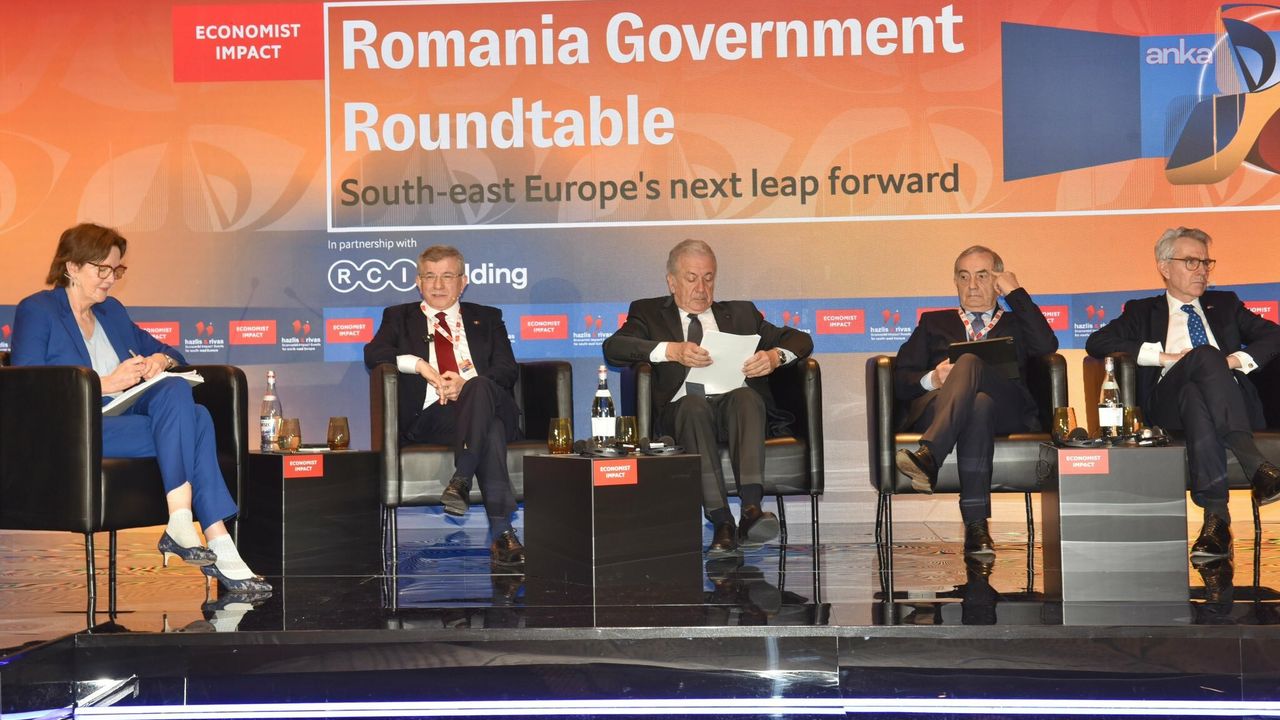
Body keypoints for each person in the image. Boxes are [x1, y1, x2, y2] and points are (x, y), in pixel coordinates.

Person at [10, 223, 270, 594]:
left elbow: (172, 353)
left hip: (122, 421)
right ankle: (218, 542)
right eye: (102, 269)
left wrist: (160, 361)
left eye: (116, 270)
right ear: (71, 267)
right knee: (196, 423)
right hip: (74, 428)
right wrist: (104, 383)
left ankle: (182, 521)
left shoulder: (111, 312)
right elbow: (28, 387)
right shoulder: (38, 310)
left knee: (180, 396)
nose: (110, 279)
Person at [602, 239, 813, 558]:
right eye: (691, 278)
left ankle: (751, 510)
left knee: (745, 397)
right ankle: (721, 519)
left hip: (734, 413)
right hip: (682, 415)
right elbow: (614, 348)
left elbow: (801, 339)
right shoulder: (647, 313)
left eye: (708, 278)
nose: (701, 288)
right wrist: (671, 350)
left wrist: (774, 356)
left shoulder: (741, 314)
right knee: (693, 405)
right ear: (672, 282)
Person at [1085, 227, 1280, 560]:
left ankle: (1216, 520)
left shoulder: (1226, 304)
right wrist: (1163, 357)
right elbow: (1097, 342)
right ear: (1164, 267)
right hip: (1166, 405)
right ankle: (1254, 462)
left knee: (1196, 390)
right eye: (1191, 261)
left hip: (1228, 401)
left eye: (1206, 262)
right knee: (1201, 359)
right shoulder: (1142, 311)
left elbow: (1274, 335)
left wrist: (1231, 361)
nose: (1202, 270)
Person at [892, 245, 1059, 557]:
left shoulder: (1017, 323)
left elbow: (1047, 345)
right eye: (963, 277)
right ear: (955, 282)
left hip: (1008, 411)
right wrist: (933, 378)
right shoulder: (933, 323)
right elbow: (900, 381)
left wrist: (1016, 293)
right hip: (945, 410)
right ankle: (977, 529)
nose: (971, 286)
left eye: (982, 276)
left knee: (969, 361)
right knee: (979, 405)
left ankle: (930, 454)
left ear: (997, 281)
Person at [363, 245, 525, 566]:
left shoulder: (487, 317)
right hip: (434, 418)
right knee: (489, 429)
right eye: (430, 277)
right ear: (418, 281)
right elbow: (373, 353)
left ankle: (461, 478)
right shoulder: (398, 317)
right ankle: (501, 532)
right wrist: (418, 364)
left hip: (492, 404)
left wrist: (467, 386)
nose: (438, 285)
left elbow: (507, 369)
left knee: (480, 389)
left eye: (447, 276)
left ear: (463, 282)